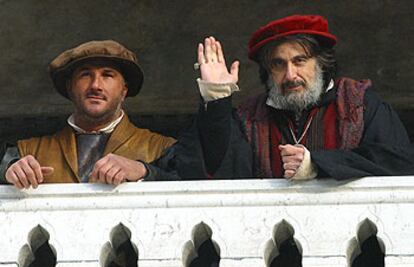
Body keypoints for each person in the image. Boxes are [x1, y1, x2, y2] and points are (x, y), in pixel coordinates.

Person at [183, 14, 414, 180]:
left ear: (321, 63)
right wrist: (217, 100)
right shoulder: (250, 117)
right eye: (278, 64)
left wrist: (317, 164)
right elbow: (206, 165)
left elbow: (400, 162)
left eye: (299, 61)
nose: (290, 75)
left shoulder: (359, 104)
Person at [0, 40, 176, 188]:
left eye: (107, 75)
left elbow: (192, 181)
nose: (95, 85)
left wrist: (143, 170)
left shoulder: (162, 148)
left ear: (124, 90)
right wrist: (8, 169)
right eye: (85, 75)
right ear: (69, 87)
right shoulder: (27, 150)